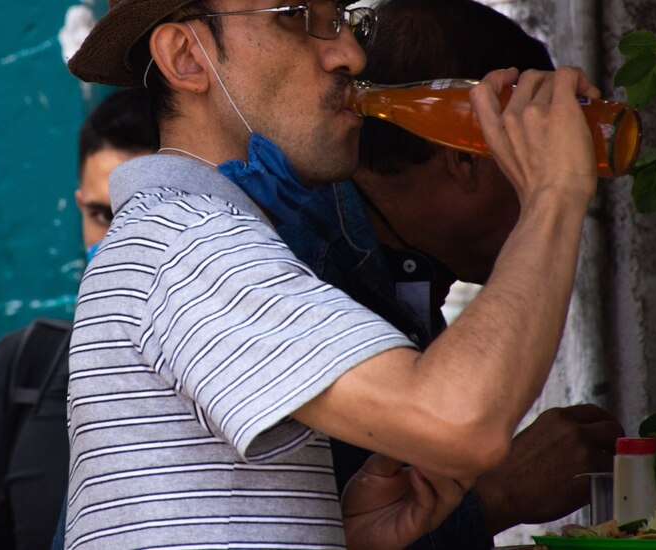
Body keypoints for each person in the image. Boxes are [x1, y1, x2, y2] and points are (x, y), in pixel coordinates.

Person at [65, 0, 604, 546]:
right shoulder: (191, 245)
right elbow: (461, 423)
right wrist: (554, 191)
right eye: (296, 16)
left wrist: (344, 537)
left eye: (346, 20)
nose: (349, 53)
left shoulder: (197, 239)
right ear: (187, 57)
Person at [277, 0, 624, 546]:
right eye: (531, 156)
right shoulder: (304, 270)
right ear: (465, 156)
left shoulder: (401, 273)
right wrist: (498, 493)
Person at [0, 88, 158, 550]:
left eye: (144, 216)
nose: (117, 242)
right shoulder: (22, 370)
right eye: (101, 215)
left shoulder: (233, 378)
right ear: (79, 205)